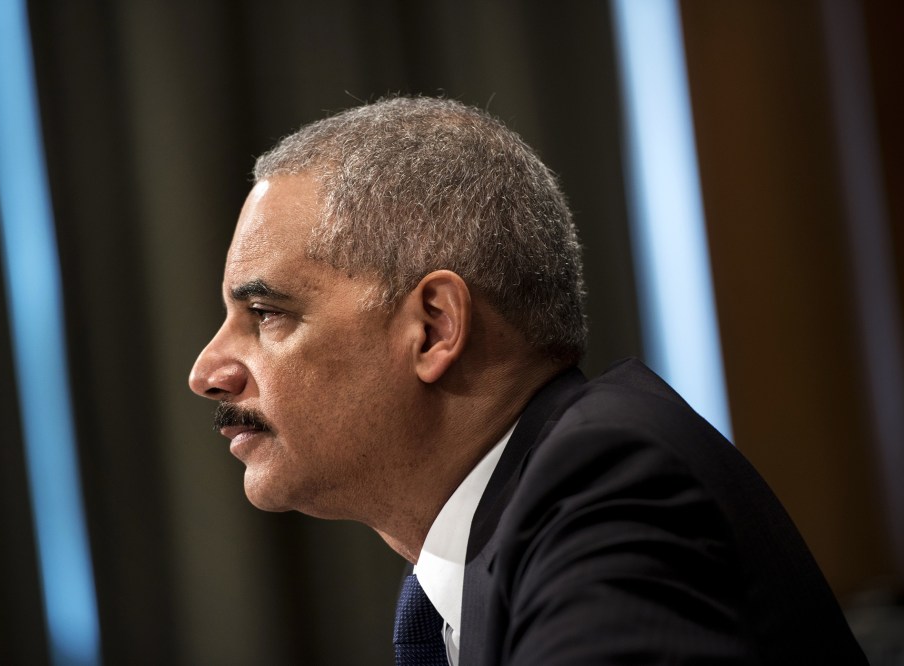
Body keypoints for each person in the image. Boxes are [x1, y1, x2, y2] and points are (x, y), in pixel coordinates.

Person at [188, 97, 867, 665]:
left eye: (267, 314)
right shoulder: (496, 536)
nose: (207, 373)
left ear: (433, 327)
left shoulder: (607, 487)